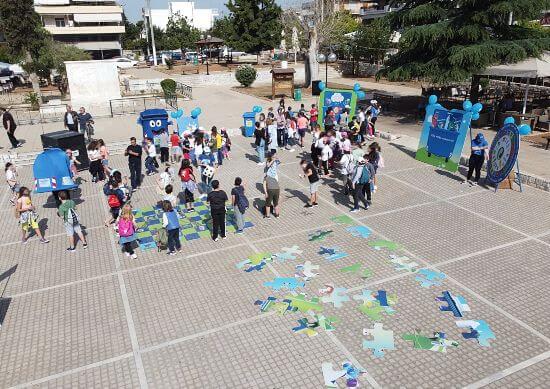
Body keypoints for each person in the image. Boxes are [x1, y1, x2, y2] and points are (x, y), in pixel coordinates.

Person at [263, 154, 281, 218]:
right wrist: (272, 160)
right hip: (277, 189)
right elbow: (268, 165)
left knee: (268, 204)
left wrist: (265, 193)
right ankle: (277, 215)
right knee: (276, 203)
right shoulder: (274, 178)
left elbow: (264, 185)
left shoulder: (267, 177)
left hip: (270, 189)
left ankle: (268, 216)